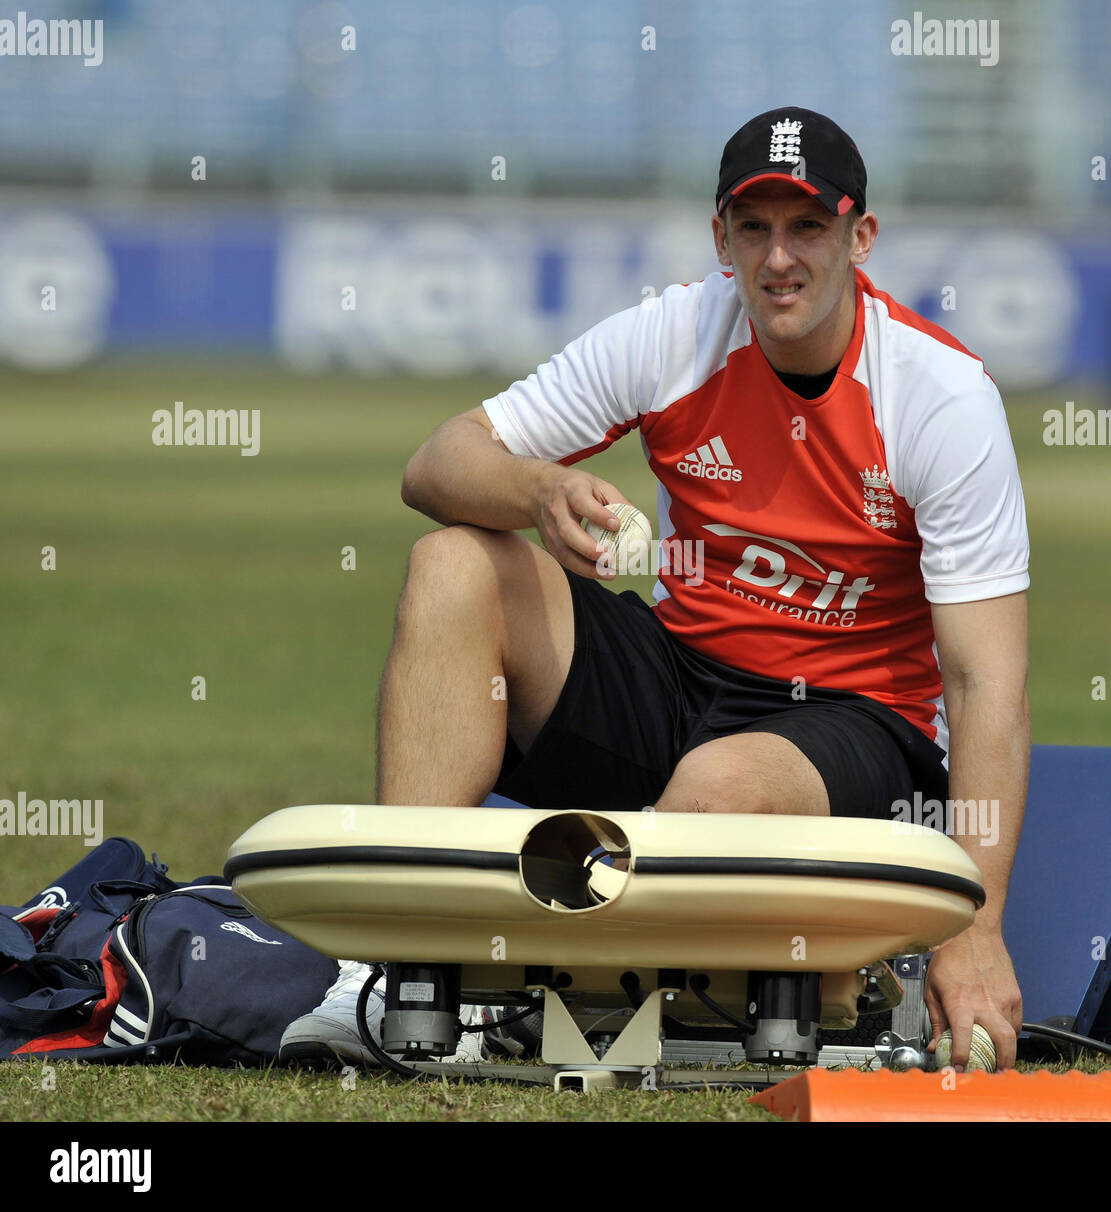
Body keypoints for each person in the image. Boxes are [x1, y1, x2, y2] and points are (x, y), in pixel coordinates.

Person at [282, 107, 1030, 1074]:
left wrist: (975, 926)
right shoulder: (674, 331)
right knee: (454, 564)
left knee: (718, 790)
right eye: (753, 228)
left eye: (808, 227)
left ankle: (595, 971)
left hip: (858, 723)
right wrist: (539, 489)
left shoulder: (941, 395)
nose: (779, 258)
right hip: (683, 682)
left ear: (860, 237)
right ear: (722, 238)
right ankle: (401, 977)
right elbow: (436, 464)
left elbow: (985, 687)